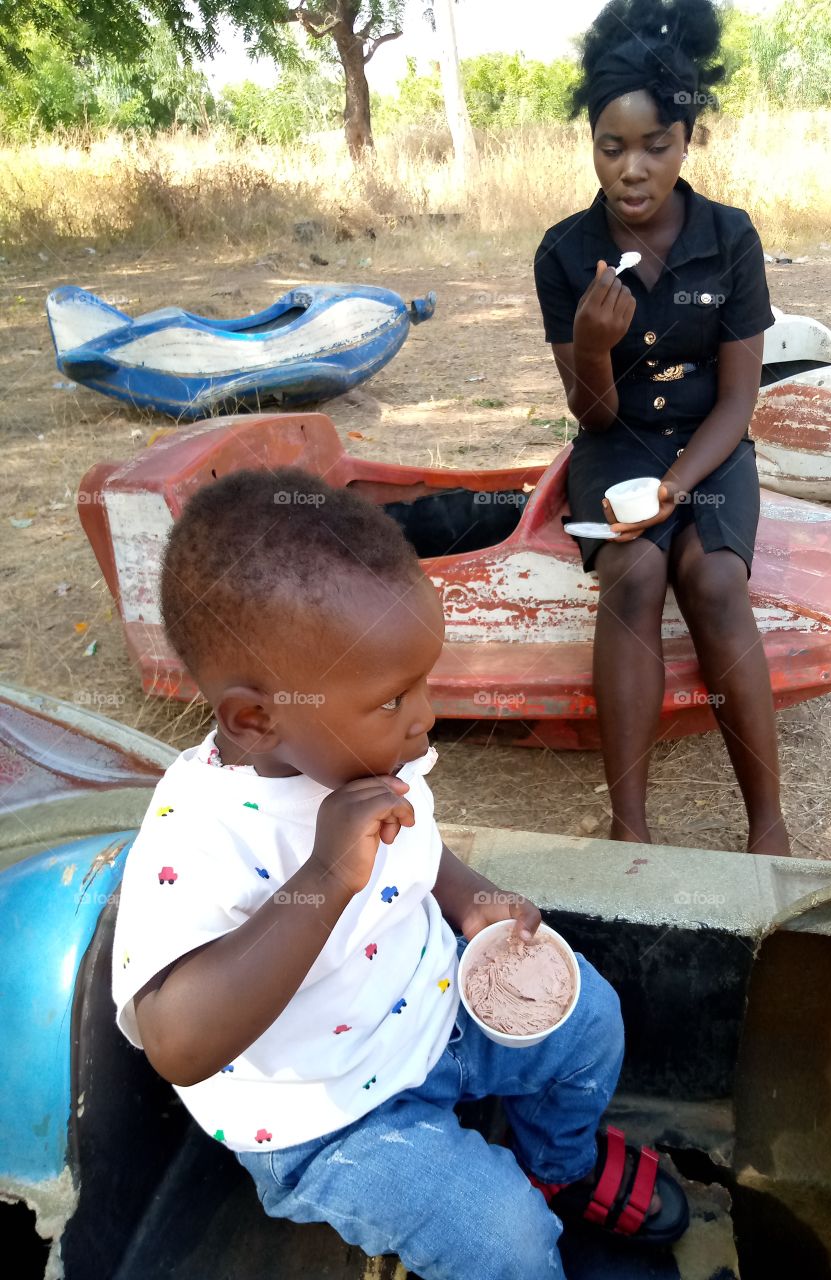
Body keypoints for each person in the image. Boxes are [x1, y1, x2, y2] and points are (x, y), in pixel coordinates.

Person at [111, 467, 689, 1280]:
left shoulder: (363, 747)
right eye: (394, 698)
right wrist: (324, 877)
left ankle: (558, 1167)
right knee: (505, 1242)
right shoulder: (196, 836)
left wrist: (467, 897)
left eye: (424, 681)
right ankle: (517, 1210)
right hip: (326, 1117)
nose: (424, 716)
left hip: (433, 1013)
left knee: (591, 1018)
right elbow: (176, 1042)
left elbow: (416, 850)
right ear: (255, 717)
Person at [534, 0, 790, 856]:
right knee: (637, 574)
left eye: (656, 146)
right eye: (613, 147)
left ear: (687, 141)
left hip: (709, 447)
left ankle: (768, 825)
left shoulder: (730, 240)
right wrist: (595, 349)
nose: (633, 170)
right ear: (592, 145)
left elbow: (737, 398)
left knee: (714, 581)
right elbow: (592, 415)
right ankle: (629, 826)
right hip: (616, 446)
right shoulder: (566, 255)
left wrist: (679, 488)